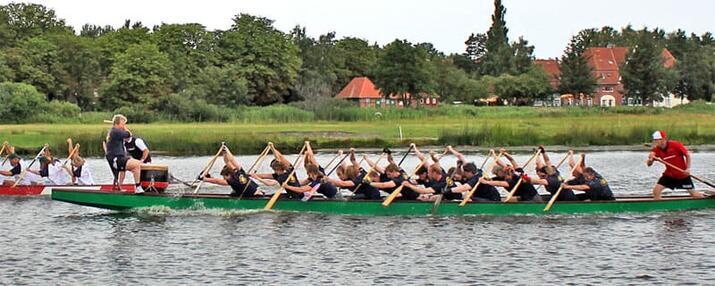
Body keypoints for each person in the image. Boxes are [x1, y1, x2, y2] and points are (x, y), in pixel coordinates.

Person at [646, 130, 703, 200]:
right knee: (656, 191)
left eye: (658, 140)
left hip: (682, 174)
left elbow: (687, 155)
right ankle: (660, 207)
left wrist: (688, 168)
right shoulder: (656, 150)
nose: (657, 142)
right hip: (669, 175)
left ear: (664, 139)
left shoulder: (675, 145)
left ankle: (706, 200)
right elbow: (649, 164)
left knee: (694, 194)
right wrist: (651, 159)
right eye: (655, 140)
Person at [105, 114, 143, 191]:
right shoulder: (115, 131)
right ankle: (138, 187)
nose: (123, 126)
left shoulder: (114, 132)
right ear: (117, 124)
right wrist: (125, 128)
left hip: (119, 158)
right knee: (137, 164)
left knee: (131, 168)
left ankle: (119, 186)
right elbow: (129, 135)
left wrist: (123, 127)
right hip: (116, 159)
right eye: (123, 124)